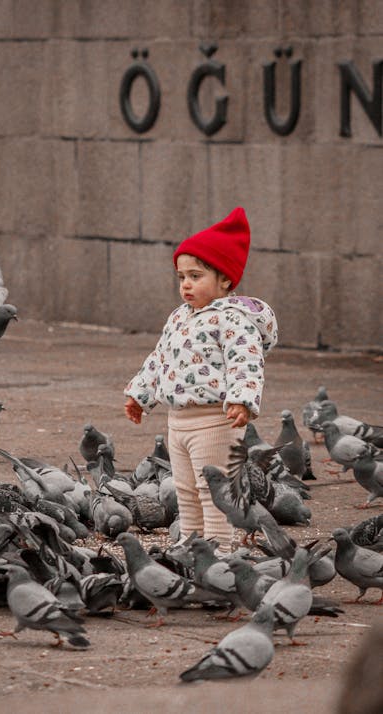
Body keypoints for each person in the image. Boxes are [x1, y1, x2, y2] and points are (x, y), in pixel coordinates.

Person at [124, 207, 278, 551]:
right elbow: (160, 358)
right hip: (178, 421)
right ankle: (192, 549)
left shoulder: (233, 319)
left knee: (214, 491)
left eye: (196, 276)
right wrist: (140, 394)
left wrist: (241, 399)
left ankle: (219, 553)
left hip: (215, 420)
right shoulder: (179, 317)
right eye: (181, 277)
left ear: (225, 279)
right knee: (185, 490)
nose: (186, 285)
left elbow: (246, 362)